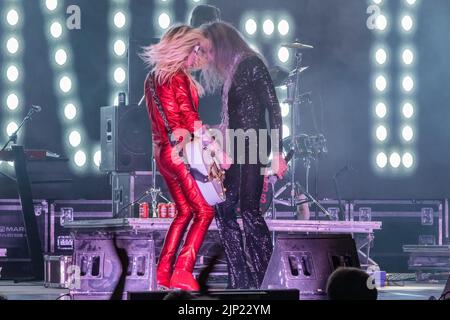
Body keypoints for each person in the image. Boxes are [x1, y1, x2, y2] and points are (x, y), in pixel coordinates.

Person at [201, 22, 288, 289]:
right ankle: (241, 277)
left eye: (210, 50)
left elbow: (273, 109)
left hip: (253, 146)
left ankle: (264, 277)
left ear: (223, 45)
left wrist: (276, 152)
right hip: (237, 148)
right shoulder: (233, 71)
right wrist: (211, 131)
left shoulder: (250, 64)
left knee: (248, 211)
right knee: (225, 210)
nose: (208, 58)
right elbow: (234, 119)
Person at [142, 25, 215, 291]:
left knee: (185, 212)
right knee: (205, 211)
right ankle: (183, 272)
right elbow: (190, 118)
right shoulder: (178, 77)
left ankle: (163, 272)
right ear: (185, 47)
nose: (198, 57)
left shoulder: (153, 77)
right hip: (181, 151)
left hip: (163, 152)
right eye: (196, 50)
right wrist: (214, 148)